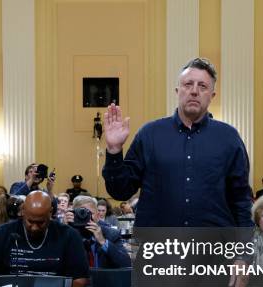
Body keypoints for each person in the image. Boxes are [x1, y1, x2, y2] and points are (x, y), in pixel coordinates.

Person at [102, 57, 252, 228]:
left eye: (202, 86)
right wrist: (114, 151)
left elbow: (241, 200)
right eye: (188, 84)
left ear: (212, 96)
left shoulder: (229, 137)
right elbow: (120, 191)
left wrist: (243, 251)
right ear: (177, 90)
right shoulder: (149, 134)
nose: (194, 91)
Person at [0, 191, 89, 287]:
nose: (34, 227)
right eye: (30, 221)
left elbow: (80, 280)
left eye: (40, 222)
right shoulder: (2, 234)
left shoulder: (69, 236)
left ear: (51, 212)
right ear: (22, 211)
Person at [65, 195, 131, 268]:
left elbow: (126, 264)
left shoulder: (111, 234)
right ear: (73, 214)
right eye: (81, 213)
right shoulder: (68, 232)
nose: (86, 217)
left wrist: (103, 241)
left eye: (90, 213)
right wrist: (64, 229)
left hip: (103, 278)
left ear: (98, 215)